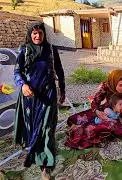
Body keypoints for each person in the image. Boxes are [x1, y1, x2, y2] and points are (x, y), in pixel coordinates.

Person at [13, 22, 65, 180]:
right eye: (34, 33)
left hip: (48, 95)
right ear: (30, 34)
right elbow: (17, 72)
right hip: (31, 97)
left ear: (44, 34)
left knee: (47, 129)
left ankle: (46, 165)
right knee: (34, 127)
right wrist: (22, 85)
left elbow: (60, 71)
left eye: (40, 33)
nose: (37, 36)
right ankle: (36, 150)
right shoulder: (24, 50)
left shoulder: (50, 49)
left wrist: (62, 90)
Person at [65, 69, 122, 149]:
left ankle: (82, 131)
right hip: (104, 111)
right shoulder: (105, 86)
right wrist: (98, 112)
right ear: (113, 81)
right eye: (120, 85)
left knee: (107, 126)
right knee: (76, 118)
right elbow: (95, 102)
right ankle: (80, 128)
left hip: (120, 116)